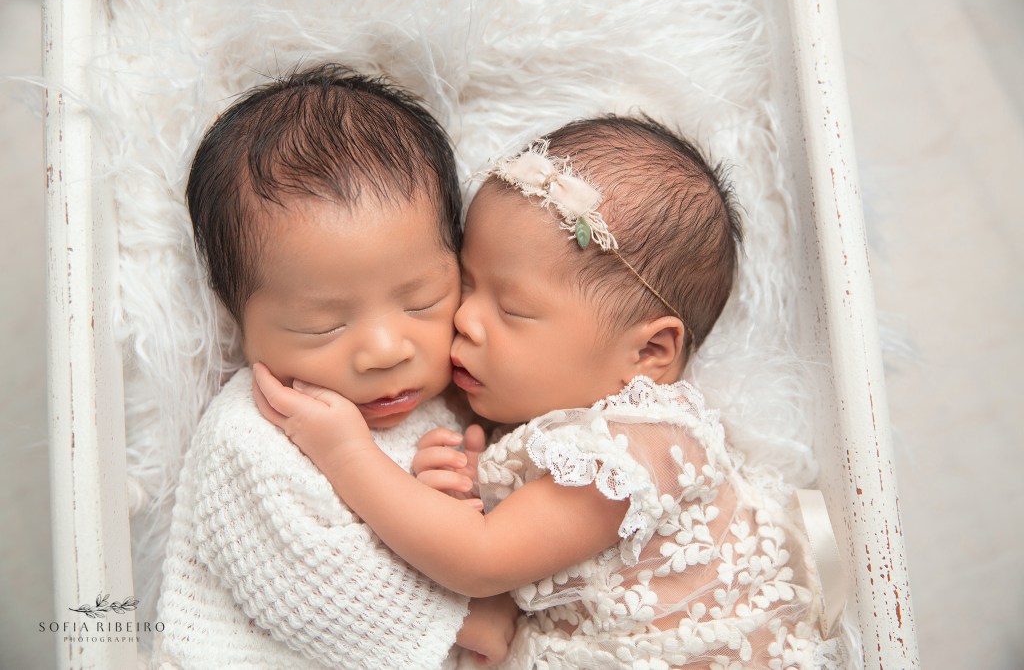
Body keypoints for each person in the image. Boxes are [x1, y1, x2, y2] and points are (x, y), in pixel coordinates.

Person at [254, 116, 846, 669]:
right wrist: (460, 487)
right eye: (465, 284)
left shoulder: (641, 449)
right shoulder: (555, 434)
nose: (466, 320)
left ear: (648, 355)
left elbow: (480, 561)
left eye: (511, 309)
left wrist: (346, 454)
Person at [152, 63, 516, 670]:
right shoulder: (253, 432)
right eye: (323, 325)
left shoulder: (454, 399)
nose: (385, 350)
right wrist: (473, 616)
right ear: (237, 317)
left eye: (422, 302)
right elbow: (305, 588)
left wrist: (466, 489)